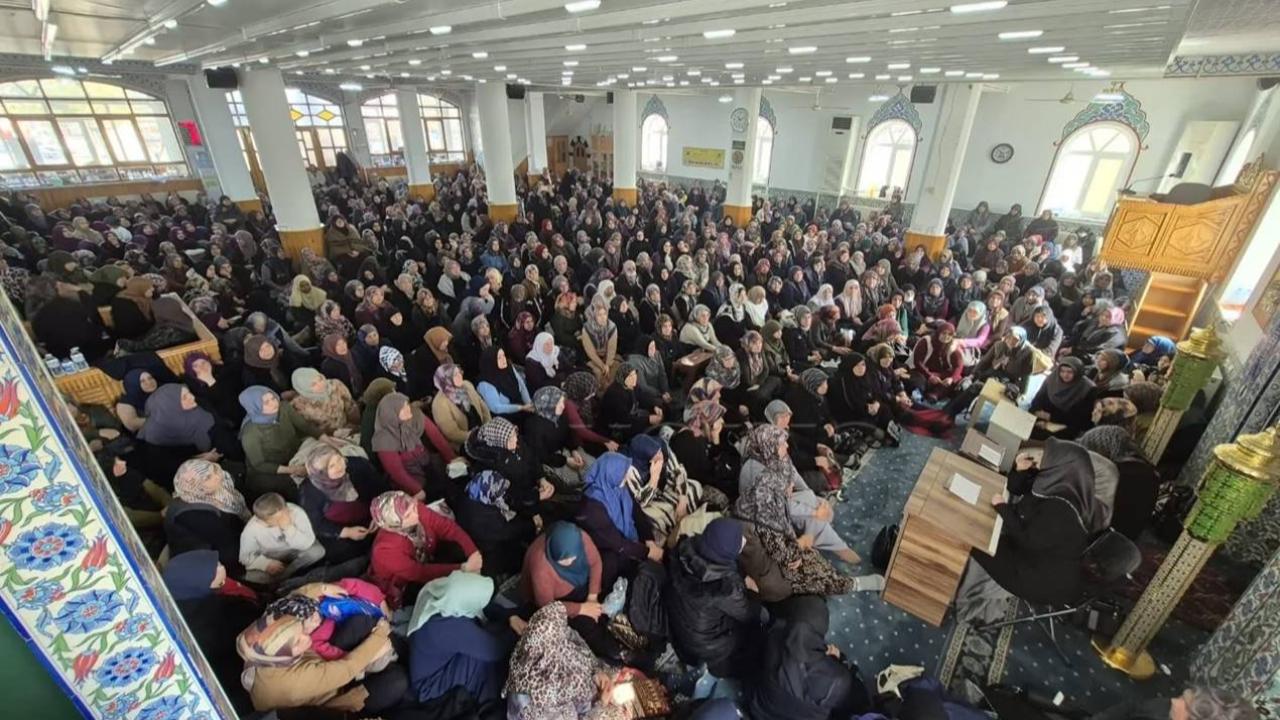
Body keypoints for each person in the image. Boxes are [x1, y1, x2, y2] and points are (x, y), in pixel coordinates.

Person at [959, 439, 1101, 624]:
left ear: (1063, 466)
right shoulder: (1058, 483)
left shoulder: (1066, 510)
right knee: (985, 526)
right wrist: (1020, 470)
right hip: (1037, 555)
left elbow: (1027, 540)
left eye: (1047, 457)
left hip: (1038, 578)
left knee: (975, 536)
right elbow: (1016, 489)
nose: (1041, 459)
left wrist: (1002, 508)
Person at [235, 604, 405, 713]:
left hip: (322, 668)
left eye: (301, 630)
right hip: (334, 699)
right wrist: (379, 635)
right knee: (397, 680)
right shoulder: (293, 683)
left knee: (360, 623)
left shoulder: (262, 654)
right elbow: (346, 669)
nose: (306, 636)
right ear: (285, 653)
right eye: (299, 640)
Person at [161, 550, 260, 713]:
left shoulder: (187, 601)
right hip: (239, 686)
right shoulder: (217, 615)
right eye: (216, 567)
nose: (222, 567)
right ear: (199, 581)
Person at [665, 518, 761, 679]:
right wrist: (755, 594)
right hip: (709, 646)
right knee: (758, 622)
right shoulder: (725, 588)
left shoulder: (683, 550)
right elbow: (748, 614)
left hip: (681, 630)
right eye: (739, 540)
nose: (743, 540)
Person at [406, 571, 511, 710]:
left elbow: (484, 607)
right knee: (478, 664)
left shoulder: (445, 597)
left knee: (489, 632)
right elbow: (494, 650)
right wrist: (518, 632)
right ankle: (493, 706)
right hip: (428, 687)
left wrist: (510, 618)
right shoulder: (447, 626)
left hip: (439, 662)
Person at [504, 602, 626, 720]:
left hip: (590, 683)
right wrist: (601, 703)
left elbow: (576, 640)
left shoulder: (551, 637)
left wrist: (597, 670)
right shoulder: (534, 704)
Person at [368, 490, 482, 608]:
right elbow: (419, 573)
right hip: (408, 583)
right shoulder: (384, 550)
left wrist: (473, 552)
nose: (416, 513)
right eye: (408, 515)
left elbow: (445, 526)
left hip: (428, 556)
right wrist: (463, 568)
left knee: (461, 551)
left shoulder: (412, 507)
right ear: (395, 525)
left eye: (413, 505)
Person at [575, 451, 660, 591]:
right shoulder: (591, 506)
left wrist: (649, 539)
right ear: (612, 473)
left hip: (624, 543)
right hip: (606, 548)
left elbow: (637, 513)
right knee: (612, 564)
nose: (626, 476)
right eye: (623, 472)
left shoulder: (617, 487)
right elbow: (617, 543)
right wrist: (647, 552)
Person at [164, 458, 251, 578]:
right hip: (210, 558)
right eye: (207, 478)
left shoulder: (209, 491)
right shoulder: (195, 515)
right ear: (194, 485)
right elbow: (227, 544)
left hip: (229, 538)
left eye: (214, 470)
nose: (217, 476)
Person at [239, 386, 321, 500]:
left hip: (293, 454)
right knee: (293, 484)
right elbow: (259, 464)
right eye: (266, 402)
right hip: (268, 470)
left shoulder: (284, 408)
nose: (273, 403)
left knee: (322, 456)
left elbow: (305, 426)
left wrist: (327, 438)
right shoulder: (250, 433)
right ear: (255, 407)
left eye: (273, 398)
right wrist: (292, 469)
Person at [452, 470, 539, 577]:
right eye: (499, 492)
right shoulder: (485, 519)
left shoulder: (471, 495)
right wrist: (532, 524)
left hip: (478, 541)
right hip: (488, 555)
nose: (503, 495)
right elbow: (508, 531)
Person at [371, 391, 450, 501]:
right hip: (410, 478)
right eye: (402, 408)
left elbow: (436, 435)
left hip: (427, 463)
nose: (408, 408)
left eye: (407, 404)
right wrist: (417, 490)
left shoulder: (415, 416)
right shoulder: (383, 439)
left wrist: (452, 458)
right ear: (392, 414)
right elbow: (397, 472)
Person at [239, 492, 326, 585]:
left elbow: (308, 542)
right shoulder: (251, 530)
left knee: (317, 551)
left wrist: (288, 528)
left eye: (284, 514)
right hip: (270, 555)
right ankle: (283, 578)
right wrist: (265, 564)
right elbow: (245, 557)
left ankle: (285, 576)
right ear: (262, 521)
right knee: (253, 578)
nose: (282, 520)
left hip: (295, 550)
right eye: (276, 520)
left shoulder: (296, 512)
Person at [1029, 357, 1097, 440]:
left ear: (1078, 372)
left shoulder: (1088, 388)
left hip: (1066, 426)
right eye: (1062, 371)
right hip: (1043, 419)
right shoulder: (1052, 379)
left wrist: (1050, 417)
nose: (1065, 375)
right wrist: (1037, 417)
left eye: (1070, 372)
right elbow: (1037, 401)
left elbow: (1080, 418)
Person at [431, 363, 493, 450]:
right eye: (455, 375)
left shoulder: (467, 384)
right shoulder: (439, 404)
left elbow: (483, 407)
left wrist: (488, 426)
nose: (459, 376)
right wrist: (476, 436)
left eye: (459, 372)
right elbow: (452, 433)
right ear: (446, 380)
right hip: (466, 443)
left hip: (484, 431)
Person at [477, 346, 532, 417]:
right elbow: (496, 408)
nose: (504, 359)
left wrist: (529, 404)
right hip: (504, 416)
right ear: (491, 361)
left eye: (503, 355)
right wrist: (521, 408)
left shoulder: (508, 367)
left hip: (522, 407)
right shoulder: (485, 383)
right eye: (499, 358)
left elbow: (521, 385)